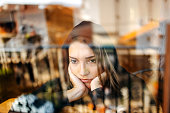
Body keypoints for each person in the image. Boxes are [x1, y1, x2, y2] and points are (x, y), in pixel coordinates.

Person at [8, 21, 156, 113]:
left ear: (107, 59)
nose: (82, 71)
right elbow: (17, 111)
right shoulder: (61, 85)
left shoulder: (132, 85)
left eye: (92, 60)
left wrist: (97, 90)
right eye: (74, 61)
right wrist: (73, 93)